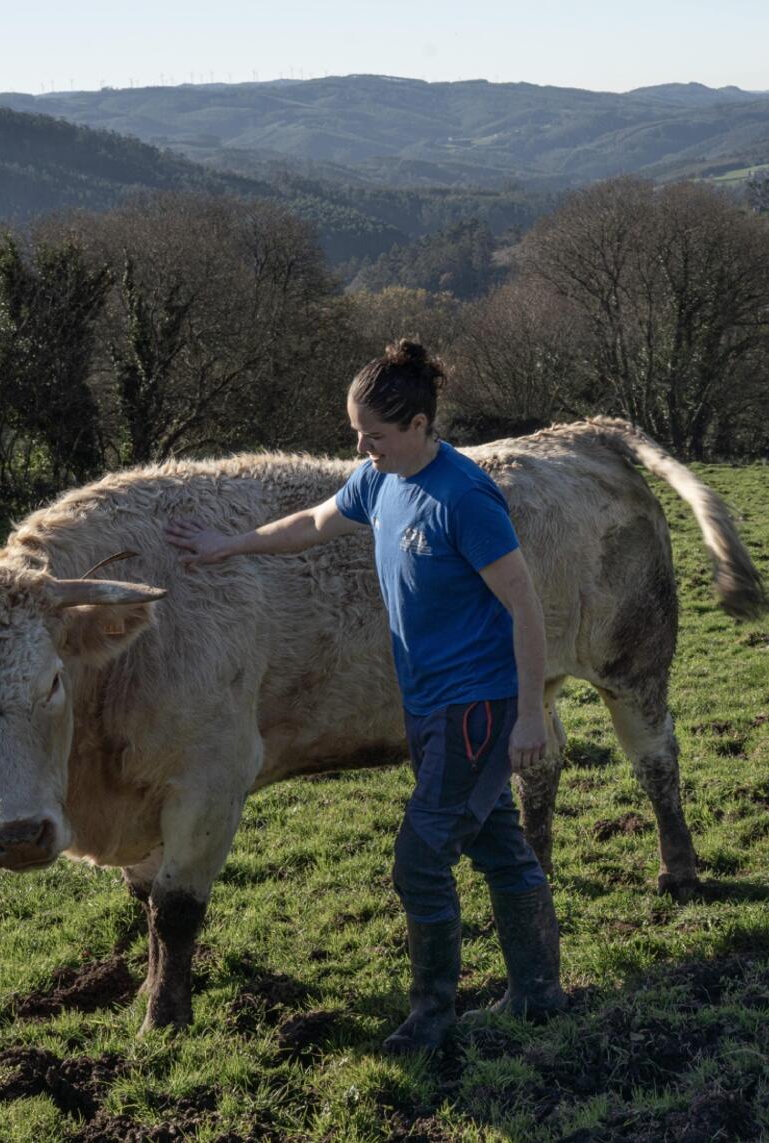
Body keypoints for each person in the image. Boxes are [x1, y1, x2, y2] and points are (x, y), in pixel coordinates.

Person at [163, 340, 568, 1053]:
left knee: (420, 858)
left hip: (474, 707)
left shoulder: (464, 496)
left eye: (374, 434)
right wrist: (231, 544)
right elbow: (314, 524)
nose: (361, 445)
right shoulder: (380, 479)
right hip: (428, 704)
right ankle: (537, 993)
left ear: (417, 426)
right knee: (499, 844)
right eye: (357, 432)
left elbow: (526, 605)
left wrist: (530, 713)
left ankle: (433, 1016)